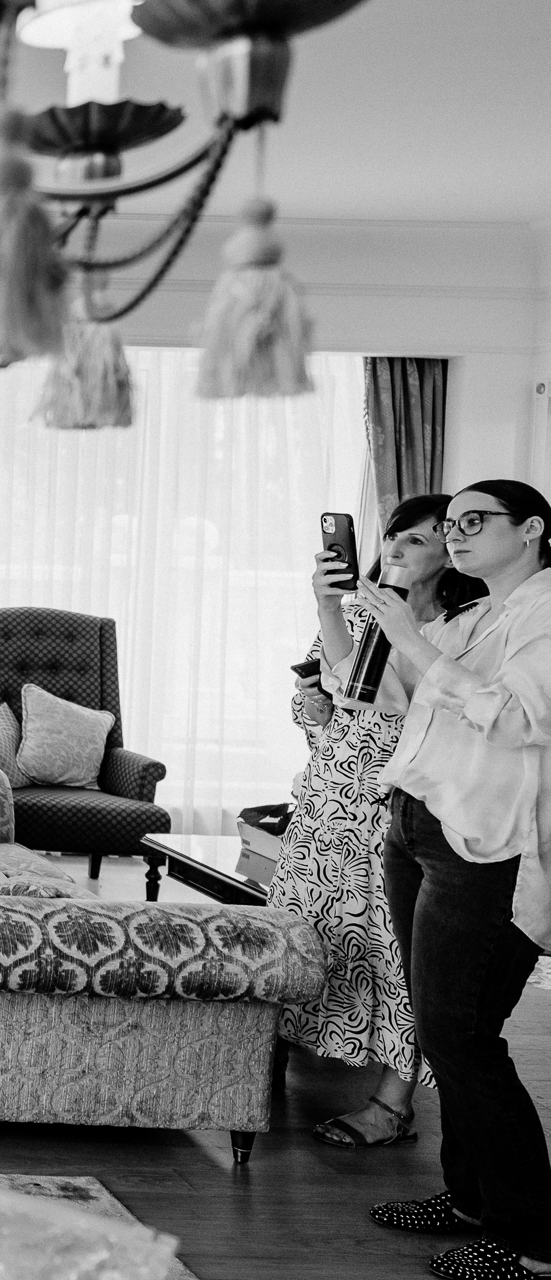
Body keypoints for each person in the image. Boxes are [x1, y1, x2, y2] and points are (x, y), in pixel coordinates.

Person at [328, 480, 551, 1280]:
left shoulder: (546, 615)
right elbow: (375, 696)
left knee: (463, 1036)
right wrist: (346, 615)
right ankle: (469, 1201)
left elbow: (521, 717)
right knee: (445, 1030)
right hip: (419, 824)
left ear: (530, 530)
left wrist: (417, 647)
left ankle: (533, 1240)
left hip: (485, 843)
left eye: (474, 522)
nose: (455, 534)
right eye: (449, 524)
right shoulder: (476, 615)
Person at [286, 495, 483, 1148]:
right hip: (329, 806)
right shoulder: (356, 613)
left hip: (405, 807)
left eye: (420, 541)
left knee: (400, 957)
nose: (398, 548)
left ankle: (391, 1104)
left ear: (451, 557)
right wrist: (315, 690)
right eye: (394, 536)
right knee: (305, 934)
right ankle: (273, 1055)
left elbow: (438, 712)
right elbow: (338, 700)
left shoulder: (471, 628)